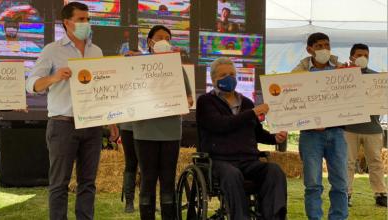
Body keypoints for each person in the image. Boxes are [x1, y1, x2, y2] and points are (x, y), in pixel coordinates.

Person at [25, 2, 118, 219]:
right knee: (59, 184)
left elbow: (101, 90)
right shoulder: (52, 50)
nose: (86, 23)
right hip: (62, 124)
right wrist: (54, 77)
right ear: (67, 23)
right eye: (81, 19)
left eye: (88, 19)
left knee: (88, 183)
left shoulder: (96, 51)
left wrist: (112, 120)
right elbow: (31, 84)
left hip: (92, 125)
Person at [196, 57, 288, 220]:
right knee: (232, 175)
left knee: (274, 171)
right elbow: (220, 124)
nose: (229, 77)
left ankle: (273, 217)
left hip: (248, 160)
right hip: (219, 161)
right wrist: (252, 113)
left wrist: (275, 138)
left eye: (232, 74)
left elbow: (257, 133)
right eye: (223, 74)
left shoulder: (247, 103)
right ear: (213, 78)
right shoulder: (205, 102)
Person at [132, 25, 193, 220]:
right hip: (144, 131)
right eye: (160, 37)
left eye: (168, 37)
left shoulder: (177, 68)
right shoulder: (135, 65)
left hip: (171, 131)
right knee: (148, 180)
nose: (164, 41)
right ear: (150, 42)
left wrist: (178, 103)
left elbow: (190, 99)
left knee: (168, 180)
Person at [292, 32, 348, 220]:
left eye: (327, 45)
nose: (324, 49)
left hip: (337, 132)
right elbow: (291, 100)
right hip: (310, 134)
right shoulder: (298, 73)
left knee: (341, 183)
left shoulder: (342, 70)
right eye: (319, 46)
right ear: (309, 49)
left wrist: (352, 74)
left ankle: (339, 217)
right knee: (313, 184)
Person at [344, 43, 387, 207]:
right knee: (347, 162)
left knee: (376, 162)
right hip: (349, 129)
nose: (363, 58)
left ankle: (381, 194)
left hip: (373, 128)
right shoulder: (342, 78)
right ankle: (345, 194)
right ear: (351, 57)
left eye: (366, 56)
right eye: (359, 55)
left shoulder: (377, 78)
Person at [119, 122, 138, 213]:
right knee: (131, 164)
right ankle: (129, 202)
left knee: (147, 165)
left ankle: (148, 201)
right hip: (128, 127)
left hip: (147, 128)